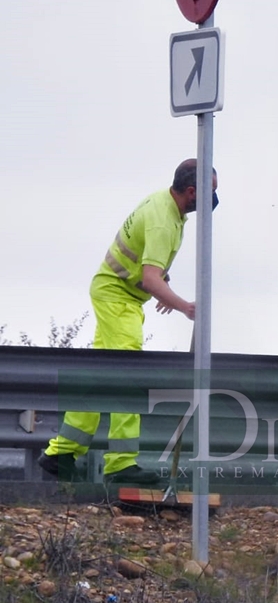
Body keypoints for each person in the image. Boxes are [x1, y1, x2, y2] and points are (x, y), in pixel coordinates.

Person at [39, 158, 219, 484]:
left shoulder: (164, 204)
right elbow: (150, 278)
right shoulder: (164, 220)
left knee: (100, 380)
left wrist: (163, 287)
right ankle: (120, 464)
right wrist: (182, 306)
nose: (214, 200)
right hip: (118, 298)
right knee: (126, 377)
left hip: (117, 293)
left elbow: (149, 266)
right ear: (192, 192)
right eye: (212, 192)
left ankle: (61, 453)